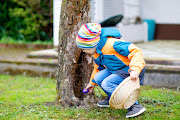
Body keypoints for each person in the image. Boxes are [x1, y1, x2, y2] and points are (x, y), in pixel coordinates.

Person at [76, 23, 146, 118]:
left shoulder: (112, 44)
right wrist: (92, 83)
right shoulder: (96, 51)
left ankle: (135, 106)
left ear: (92, 44)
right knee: (98, 78)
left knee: (107, 83)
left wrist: (135, 69)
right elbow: (98, 67)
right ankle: (111, 98)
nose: (83, 51)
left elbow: (136, 51)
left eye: (84, 48)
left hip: (129, 68)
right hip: (116, 69)